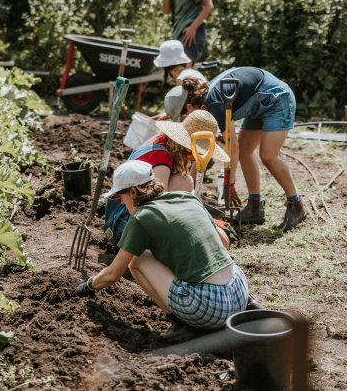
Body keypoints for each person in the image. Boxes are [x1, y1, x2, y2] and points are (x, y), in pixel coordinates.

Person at [73, 160, 249, 336]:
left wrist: (88, 286)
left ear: (133, 192)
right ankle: (252, 305)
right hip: (240, 292)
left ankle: (179, 325)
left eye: (120, 196)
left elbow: (113, 275)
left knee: (137, 260)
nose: (120, 202)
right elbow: (225, 242)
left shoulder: (141, 217)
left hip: (211, 309)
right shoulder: (188, 197)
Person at [167, 67, 306, 231]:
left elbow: (230, 145)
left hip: (276, 98)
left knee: (268, 156)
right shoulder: (205, 103)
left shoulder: (214, 104)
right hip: (257, 104)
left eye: (183, 119)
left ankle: (296, 205)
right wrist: (190, 190)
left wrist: (229, 183)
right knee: (246, 153)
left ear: (190, 107)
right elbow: (204, 151)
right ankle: (255, 207)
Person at [102, 110, 229, 245]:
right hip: (122, 224)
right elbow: (160, 206)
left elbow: (189, 188)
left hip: (127, 217)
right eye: (197, 148)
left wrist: (197, 162)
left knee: (186, 181)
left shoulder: (165, 142)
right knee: (182, 182)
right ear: (187, 144)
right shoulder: (161, 156)